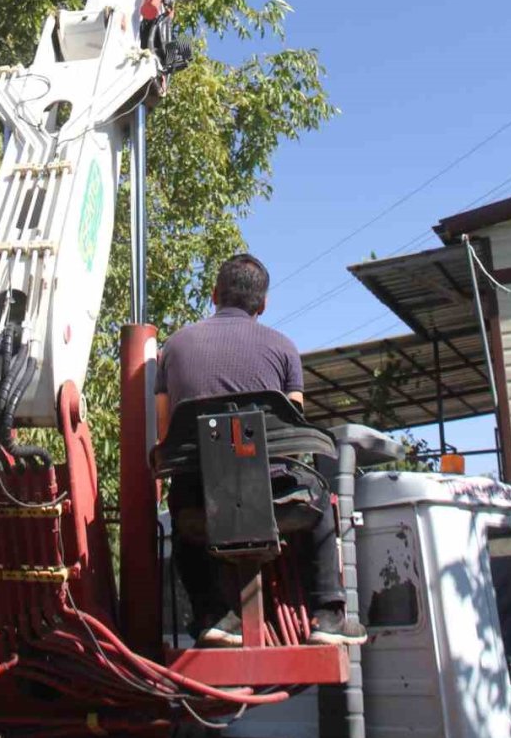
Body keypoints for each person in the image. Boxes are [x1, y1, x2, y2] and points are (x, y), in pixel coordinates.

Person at [155, 253, 367, 649]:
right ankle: (326, 615)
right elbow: (294, 431)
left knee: (185, 502)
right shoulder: (284, 348)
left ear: (214, 294)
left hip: (196, 509)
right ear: (263, 305)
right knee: (322, 497)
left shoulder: (173, 347)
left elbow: (165, 433)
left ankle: (212, 616)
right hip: (275, 501)